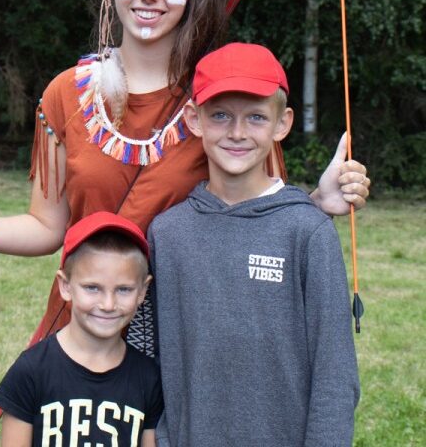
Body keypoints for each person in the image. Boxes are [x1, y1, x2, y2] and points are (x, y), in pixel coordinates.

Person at [0, 0, 370, 347]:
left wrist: (317, 204)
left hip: (188, 340)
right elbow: (48, 228)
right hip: (86, 335)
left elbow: (259, 222)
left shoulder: (222, 102)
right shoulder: (65, 94)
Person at [149, 42, 360, 447]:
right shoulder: (167, 234)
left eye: (257, 117)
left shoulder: (308, 232)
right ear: (194, 119)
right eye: (220, 115)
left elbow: (335, 376)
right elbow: (151, 365)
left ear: (282, 123)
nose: (237, 132)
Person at [0, 211, 162, 447]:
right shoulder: (31, 370)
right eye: (92, 288)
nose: (108, 304)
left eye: (124, 289)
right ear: (65, 286)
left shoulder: (149, 377)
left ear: (143, 291)